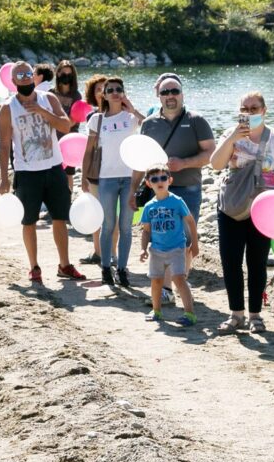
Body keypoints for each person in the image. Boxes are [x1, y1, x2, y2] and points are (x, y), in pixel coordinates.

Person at [210, 91, 274, 334]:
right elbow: (216, 164)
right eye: (244, 109)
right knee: (231, 261)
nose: (249, 113)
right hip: (232, 206)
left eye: (254, 108)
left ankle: (255, 315)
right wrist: (232, 138)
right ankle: (236, 314)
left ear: (264, 110)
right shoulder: (232, 134)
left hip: (265, 209)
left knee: (257, 263)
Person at [0, 61, 86, 283]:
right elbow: (4, 145)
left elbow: (66, 127)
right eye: (20, 75)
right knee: (29, 221)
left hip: (55, 168)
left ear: (34, 76)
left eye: (29, 73)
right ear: (14, 80)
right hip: (27, 172)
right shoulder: (8, 108)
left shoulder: (49, 99)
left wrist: (42, 111)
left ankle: (64, 265)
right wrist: (4, 178)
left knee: (60, 217)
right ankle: (34, 267)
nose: (26, 77)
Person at [131, 73, 214, 303]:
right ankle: (166, 290)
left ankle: (179, 282)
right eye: (165, 92)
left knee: (185, 240)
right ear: (158, 96)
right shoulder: (149, 124)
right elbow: (139, 159)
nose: (170, 96)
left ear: (182, 94)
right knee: (161, 239)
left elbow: (211, 154)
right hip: (158, 191)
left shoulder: (197, 120)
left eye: (174, 91)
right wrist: (132, 190)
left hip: (188, 188)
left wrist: (184, 163)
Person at [81, 76, 145, 287]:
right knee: (108, 225)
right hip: (106, 178)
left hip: (129, 179)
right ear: (104, 95)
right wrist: (83, 178)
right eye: (111, 90)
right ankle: (106, 268)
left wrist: (133, 109)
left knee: (126, 227)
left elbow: (150, 128)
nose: (116, 92)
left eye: (119, 89)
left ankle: (123, 269)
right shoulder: (97, 120)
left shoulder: (131, 118)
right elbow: (89, 151)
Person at [139, 163, 200, 327]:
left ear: (170, 180)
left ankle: (189, 314)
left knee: (179, 278)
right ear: (148, 183)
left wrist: (194, 243)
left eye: (163, 178)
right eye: (155, 179)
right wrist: (143, 249)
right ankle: (156, 311)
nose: (160, 181)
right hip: (156, 250)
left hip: (177, 248)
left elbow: (190, 222)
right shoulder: (149, 206)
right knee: (156, 281)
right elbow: (146, 231)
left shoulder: (177, 201)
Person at [79, 75, 108, 265]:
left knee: (113, 216)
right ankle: (98, 251)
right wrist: (84, 175)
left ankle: (110, 253)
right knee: (96, 212)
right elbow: (89, 148)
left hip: (118, 171)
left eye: (107, 88)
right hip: (98, 171)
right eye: (99, 90)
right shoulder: (92, 118)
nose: (104, 93)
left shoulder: (124, 115)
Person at [51, 61, 83, 192]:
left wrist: (58, 122)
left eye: (69, 74)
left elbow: (73, 120)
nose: (66, 76)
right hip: (52, 137)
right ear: (58, 73)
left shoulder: (76, 95)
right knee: (52, 170)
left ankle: (68, 199)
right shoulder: (50, 93)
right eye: (63, 73)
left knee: (68, 172)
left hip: (70, 140)